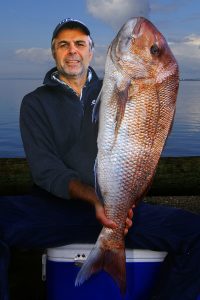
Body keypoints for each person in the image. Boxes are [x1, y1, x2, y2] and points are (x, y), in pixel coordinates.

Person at [0, 18, 200, 300]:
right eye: (63, 45)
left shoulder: (119, 88)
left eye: (80, 44)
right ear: (54, 52)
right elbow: (46, 171)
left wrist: (124, 205)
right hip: (56, 210)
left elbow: (141, 150)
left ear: (91, 51)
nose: (72, 51)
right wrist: (94, 199)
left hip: (118, 213)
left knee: (195, 232)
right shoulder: (35, 102)